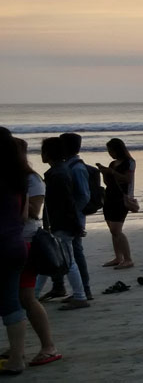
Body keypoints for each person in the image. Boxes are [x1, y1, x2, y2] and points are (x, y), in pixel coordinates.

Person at [13, 138, 60, 367]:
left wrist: (16, 197)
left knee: (26, 297)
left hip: (26, 241)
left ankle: (48, 346)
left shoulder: (31, 180)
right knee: (14, 298)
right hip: (12, 241)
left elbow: (34, 212)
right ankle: (17, 347)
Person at [37, 137, 89, 310]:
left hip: (61, 224)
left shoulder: (58, 174)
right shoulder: (60, 171)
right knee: (50, 260)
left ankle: (80, 296)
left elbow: (66, 203)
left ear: (49, 154)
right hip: (60, 223)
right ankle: (33, 296)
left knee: (68, 262)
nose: (41, 155)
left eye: (42, 151)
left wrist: (75, 225)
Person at [0, 128, 31, 375]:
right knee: (12, 301)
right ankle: (17, 357)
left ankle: (16, 358)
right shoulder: (20, 178)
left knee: (10, 301)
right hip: (15, 245)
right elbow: (23, 216)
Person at [58, 133, 91, 301]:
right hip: (73, 218)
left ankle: (85, 290)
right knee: (73, 252)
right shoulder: (70, 165)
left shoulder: (76, 168)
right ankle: (78, 289)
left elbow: (84, 196)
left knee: (76, 253)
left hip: (74, 219)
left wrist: (72, 214)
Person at [97, 138, 136, 269]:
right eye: (109, 151)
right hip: (109, 196)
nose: (110, 154)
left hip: (121, 198)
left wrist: (112, 172)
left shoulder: (129, 162)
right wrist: (104, 172)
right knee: (112, 230)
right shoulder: (113, 163)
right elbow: (108, 183)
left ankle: (128, 259)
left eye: (111, 151)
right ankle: (118, 257)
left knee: (116, 230)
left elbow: (128, 179)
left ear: (118, 150)